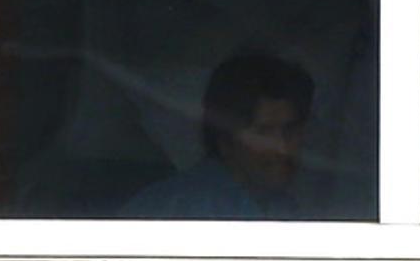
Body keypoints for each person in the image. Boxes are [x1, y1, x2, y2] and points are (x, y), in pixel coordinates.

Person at [117, 53, 311, 219]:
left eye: (290, 130)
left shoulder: (280, 205)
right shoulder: (184, 209)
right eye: (263, 132)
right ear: (225, 140)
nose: (283, 147)